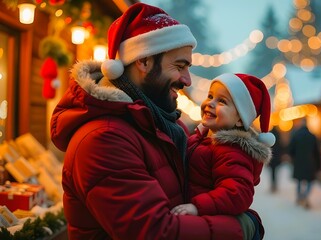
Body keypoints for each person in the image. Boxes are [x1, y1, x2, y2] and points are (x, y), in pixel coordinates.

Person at [50, 3, 261, 239]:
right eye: (179, 66)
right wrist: (241, 227)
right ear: (144, 62)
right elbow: (156, 232)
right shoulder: (104, 138)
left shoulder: (168, 127)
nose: (188, 80)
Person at [170, 73, 275, 239]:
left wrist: (198, 207)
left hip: (209, 221)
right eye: (210, 96)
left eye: (222, 101)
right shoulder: (200, 139)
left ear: (240, 120)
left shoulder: (231, 150)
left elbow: (237, 193)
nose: (210, 103)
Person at [288, 118, 321, 209]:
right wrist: (319, 165)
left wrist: (293, 158)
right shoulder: (312, 136)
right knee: (310, 181)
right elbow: (317, 152)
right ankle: (305, 196)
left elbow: (290, 149)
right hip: (310, 163)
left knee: (299, 181)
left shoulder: (296, 135)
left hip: (298, 162)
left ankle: (299, 197)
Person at [268, 126, 285, 193]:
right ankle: (275, 185)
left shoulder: (270, 137)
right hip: (277, 157)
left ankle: (272, 185)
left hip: (271, 157)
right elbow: (281, 146)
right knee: (276, 172)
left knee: (272, 172)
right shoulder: (279, 135)